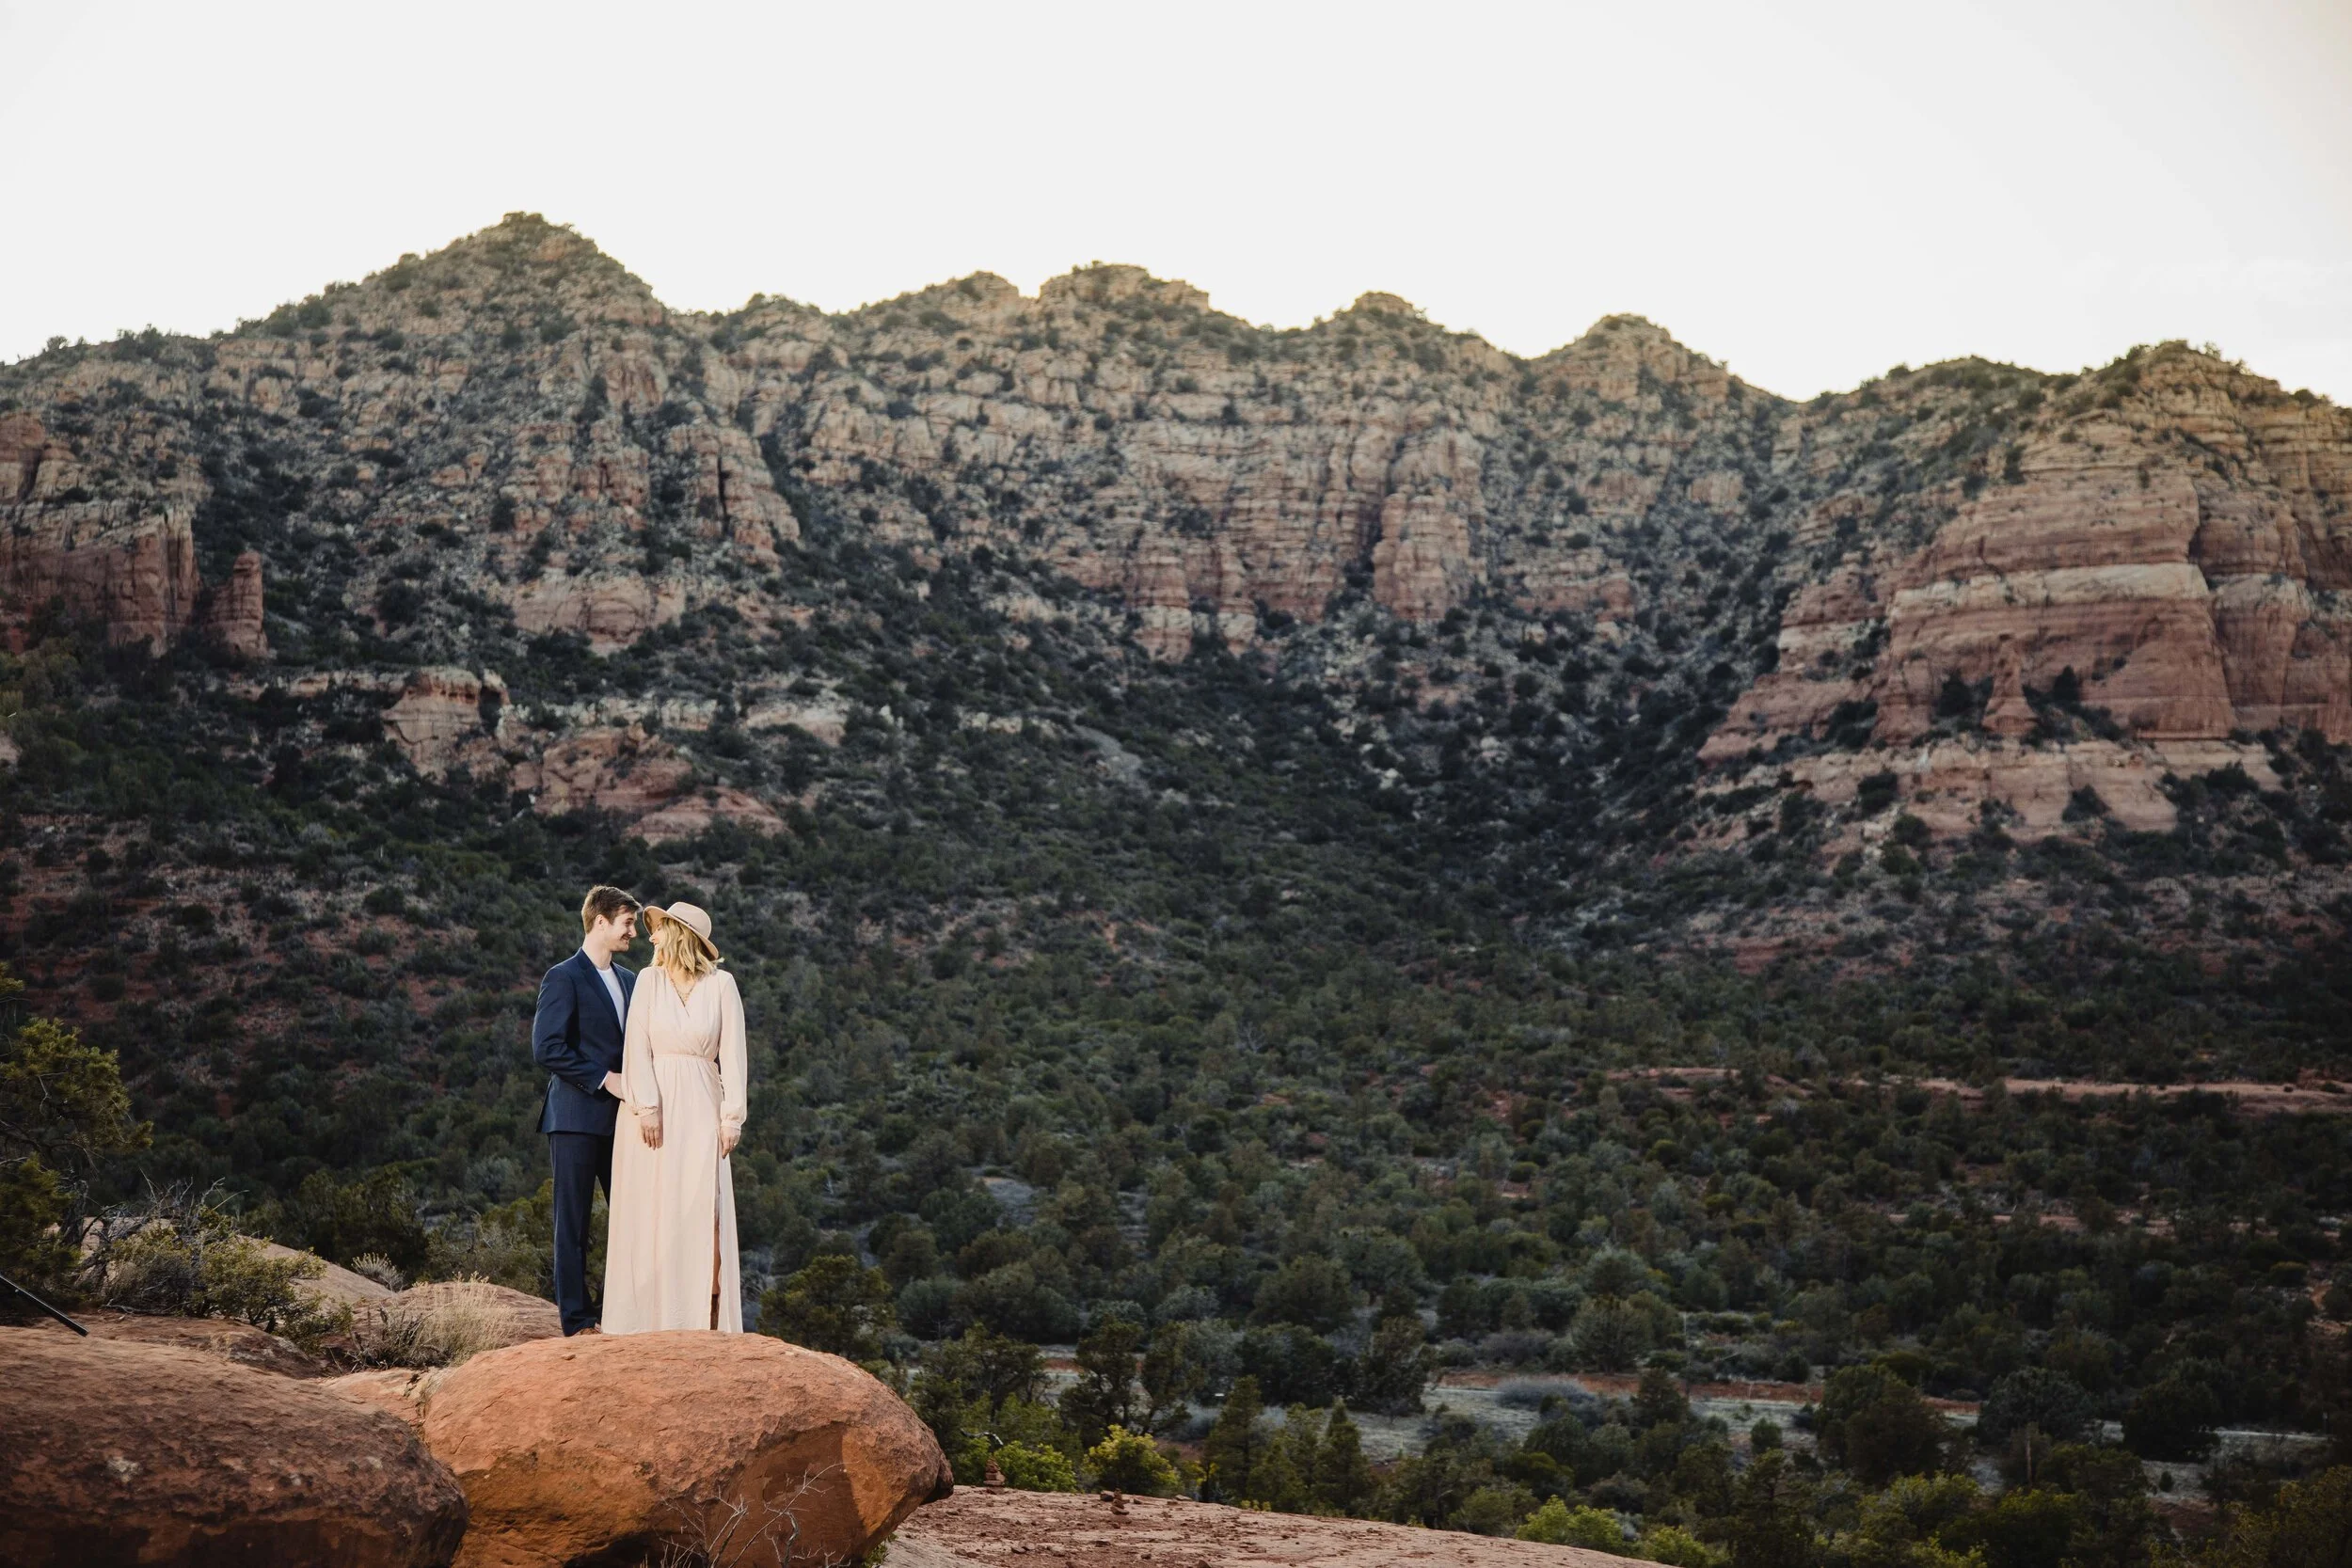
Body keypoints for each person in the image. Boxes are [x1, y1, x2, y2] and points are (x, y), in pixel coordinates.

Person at [602, 901, 748, 1333]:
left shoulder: (723, 985)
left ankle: (701, 1316)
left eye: (660, 928)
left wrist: (732, 1118)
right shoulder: (648, 981)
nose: (652, 936)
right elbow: (637, 1048)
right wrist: (645, 1106)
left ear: (680, 934)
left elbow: (734, 1057)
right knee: (651, 1206)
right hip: (652, 1109)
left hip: (703, 1104)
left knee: (702, 1207)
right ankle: (646, 1319)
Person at [531, 885, 641, 1336]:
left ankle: (626, 1312)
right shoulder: (563, 977)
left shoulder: (634, 981)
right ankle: (577, 1321)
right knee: (573, 1223)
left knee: (632, 1218)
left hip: (626, 1124)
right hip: (575, 1119)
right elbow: (546, 1048)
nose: (634, 932)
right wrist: (604, 1078)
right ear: (600, 921)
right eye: (627, 923)